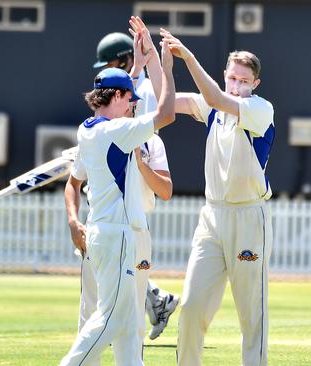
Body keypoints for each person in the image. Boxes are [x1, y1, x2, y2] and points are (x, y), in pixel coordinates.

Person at [59, 33, 176, 365]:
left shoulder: (89, 129)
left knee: (127, 326)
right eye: (129, 98)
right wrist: (165, 68)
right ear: (119, 96)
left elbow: (121, 107)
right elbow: (166, 114)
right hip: (117, 235)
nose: (132, 104)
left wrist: (137, 68)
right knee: (110, 318)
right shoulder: (116, 132)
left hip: (105, 232)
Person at [160, 31, 275, 365]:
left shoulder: (259, 108)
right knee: (192, 305)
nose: (236, 85)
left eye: (243, 80)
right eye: (232, 78)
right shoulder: (212, 106)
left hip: (247, 216)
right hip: (212, 216)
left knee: (251, 314)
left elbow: (215, 98)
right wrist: (162, 65)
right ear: (224, 75)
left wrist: (189, 58)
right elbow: (165, 101)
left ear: (256, 83)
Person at [91, 25, 180, 340]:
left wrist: (154, 61)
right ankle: (157, 300)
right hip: (108, 207)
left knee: (122, 317)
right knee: (98, 306)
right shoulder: (110, 101)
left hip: (135, 198)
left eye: (109, 66)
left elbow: (163, 108)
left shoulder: (137, 92)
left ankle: (154, 299)